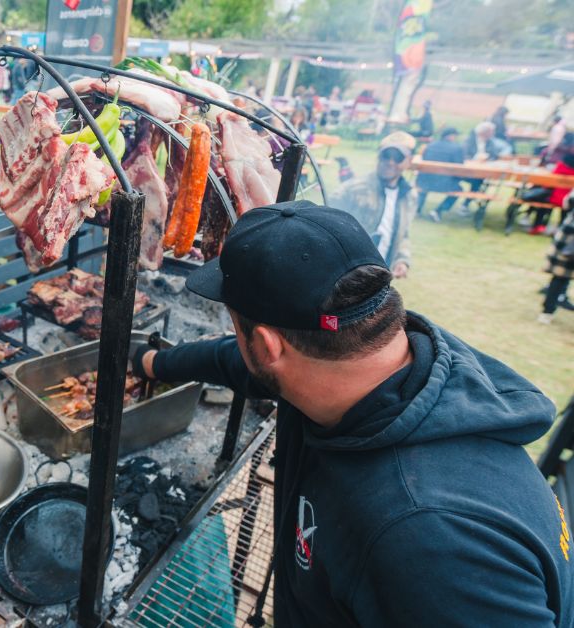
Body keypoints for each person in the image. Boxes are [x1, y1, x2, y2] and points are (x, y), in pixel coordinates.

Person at [132, 199, 573, 627]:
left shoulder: (423, 539)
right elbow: (242, 360)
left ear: (269, 346)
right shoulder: (379, 359)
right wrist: (151, 363)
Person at [328, 131, 416, 279]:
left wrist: (402, 259)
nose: (390, 162)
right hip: (347, 273)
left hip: (382, 272)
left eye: (399, 158)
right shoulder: (353, 188)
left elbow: (403, 234)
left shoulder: (409, 196)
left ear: (409, 160)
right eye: (386, 156)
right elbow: (324, 220)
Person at [416, 126, 465, 222]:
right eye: (455, 136)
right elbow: (459, 169)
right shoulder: (457, 148)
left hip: (423, 181)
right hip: (443, 184)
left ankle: (417, 210)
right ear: (450, 136)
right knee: (459, 189)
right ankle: (438, 211)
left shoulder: (430, 145)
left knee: (424, 188)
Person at [540, 198, 574, 323]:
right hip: (571, 237)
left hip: (570, 232)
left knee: (561, 275)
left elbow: (568, 203)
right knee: (561, 274)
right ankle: (548, 310)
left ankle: (547, 311)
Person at [457, 120, 502, 209]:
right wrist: (475, 160)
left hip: (482, 171)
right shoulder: (469, 141)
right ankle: (466, 204)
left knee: (480, 180)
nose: (492, 134)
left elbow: (495, 155)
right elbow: (464, 155)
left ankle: (466, 204)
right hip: (467, 170)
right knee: (478, 181)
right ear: (483, 132)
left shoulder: (490, 142)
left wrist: (488, 160)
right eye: (491, 132)